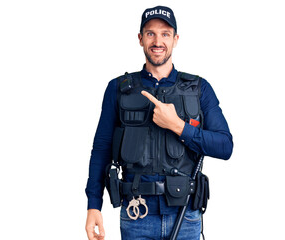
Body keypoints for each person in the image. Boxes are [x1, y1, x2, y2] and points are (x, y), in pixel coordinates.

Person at [85, 5, 233, 240]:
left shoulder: (199, 89)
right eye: (150, 33)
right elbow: (101, 150)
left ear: (175, 39)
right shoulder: (118, 89)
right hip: (136, 214)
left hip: (185, 216)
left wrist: (178, 125)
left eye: (165, 34)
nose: (158, 41)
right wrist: (94, 205)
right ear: (140, 38)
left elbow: (225, 146)